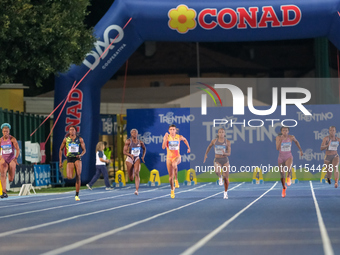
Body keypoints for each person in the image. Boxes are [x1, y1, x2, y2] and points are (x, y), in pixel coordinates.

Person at [162, 124, 190, 199]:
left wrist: (188, 148)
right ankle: (172, 190)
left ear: (176, 130)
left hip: (177, 156)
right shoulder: (167, 137)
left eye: (173, 129)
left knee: (174, 164)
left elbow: (185, 140)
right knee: (170, 177)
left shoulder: (179, 136)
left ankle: (176, 180)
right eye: (171, 129)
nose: (172, 131)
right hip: (169, 158)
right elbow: (163, 147)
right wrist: (165, 139)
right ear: (169, 130)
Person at [59, 125, 86, 201]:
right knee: (69, 177)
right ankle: (72, 168)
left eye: (73, 130)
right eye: (70, 130)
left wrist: (80, 155)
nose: (71, 131)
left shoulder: (80, 139)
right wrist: (60, 161)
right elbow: (61, 149)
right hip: (70, 158)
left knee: (78, 174)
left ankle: (77, 195)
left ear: (75, 131)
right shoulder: (66, 140)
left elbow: (84, 150)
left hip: (77, 158)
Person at [203, 128, 231, 199]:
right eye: (220, 132)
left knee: (226, 179)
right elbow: (209, 147)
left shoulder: (227, 142)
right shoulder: (214, 141)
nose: (221, 133)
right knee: (217, 171)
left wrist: (225, 153)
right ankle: (220, 177)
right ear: (218, 134)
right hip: (217, 160)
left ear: (224, 134)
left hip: (225, 161)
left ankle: (225, 192)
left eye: (222, 132)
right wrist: (206, 154)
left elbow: (229, 153)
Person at [276, 126, 303, 198]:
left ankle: (288, 177)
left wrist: (300, 150)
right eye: (283, 130)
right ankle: (284, 188)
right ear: (281, 132)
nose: (285, 132)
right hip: (281, 157)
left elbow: (296, 142)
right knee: (282, 174)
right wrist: (280, 141)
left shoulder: (291, 137)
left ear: (288, 131)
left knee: (289, 167)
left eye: (286, 130)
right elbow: (277, 148)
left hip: (288, 156)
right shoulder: (278, 138)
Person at [123, 129, 146, 195]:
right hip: (130, 159)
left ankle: (136, 190)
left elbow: (144, 149)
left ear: (137, 134)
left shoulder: (140, 142)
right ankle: (132, 170)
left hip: (137, 158)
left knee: (137, 173)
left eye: (135, 132)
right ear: (131, 134)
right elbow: (124, 152)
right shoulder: (128, 141)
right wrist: (130, 155)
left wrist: (143, 156)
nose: (134, 133)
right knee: (131, 178)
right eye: (132, 132)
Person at [0, 123, 20, 199]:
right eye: (4, 131)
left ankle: (10, 175)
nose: (5, 133)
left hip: (11, 159)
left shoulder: (12, 139)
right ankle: (4, 192)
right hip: (4, 159)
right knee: (2, 175)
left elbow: (18, 149)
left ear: (9, 131)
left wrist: (16, 158)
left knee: (10, 179)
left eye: (7, 131)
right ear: (2, 132)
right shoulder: (1, 140)